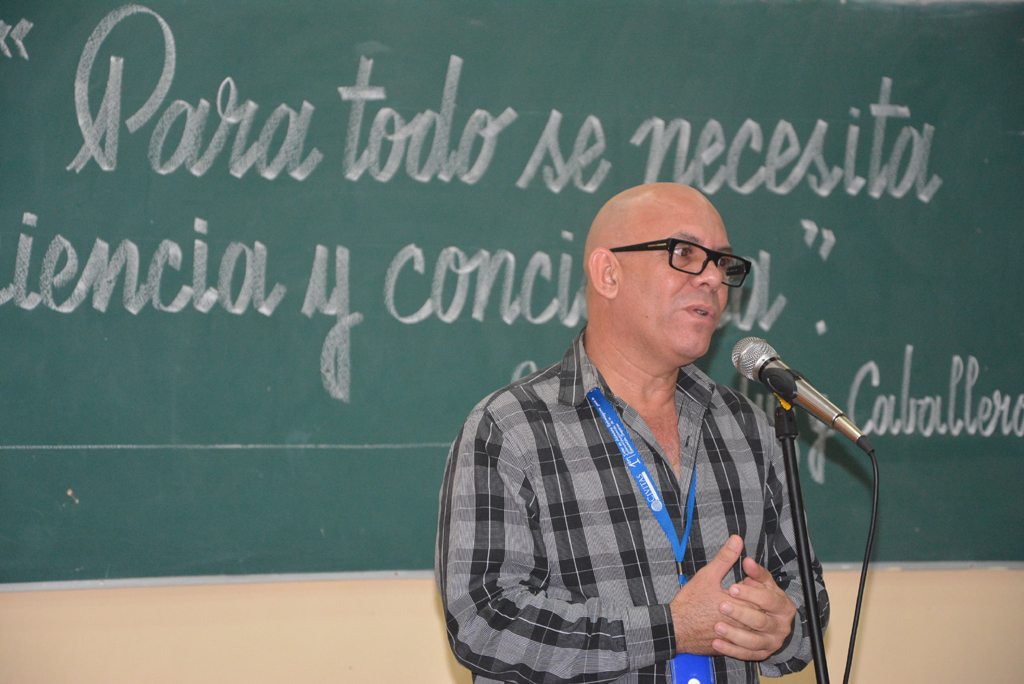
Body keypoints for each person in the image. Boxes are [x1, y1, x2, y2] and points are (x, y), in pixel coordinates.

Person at [435, 183, 828, 684]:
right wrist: (670, 629)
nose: (712, 278)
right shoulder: (511, 429)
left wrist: (780, 627)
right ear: (608, 273)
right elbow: (486, 624)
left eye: (723, 264)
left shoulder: (745, 425)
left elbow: (805, 596)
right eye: (685, 253)